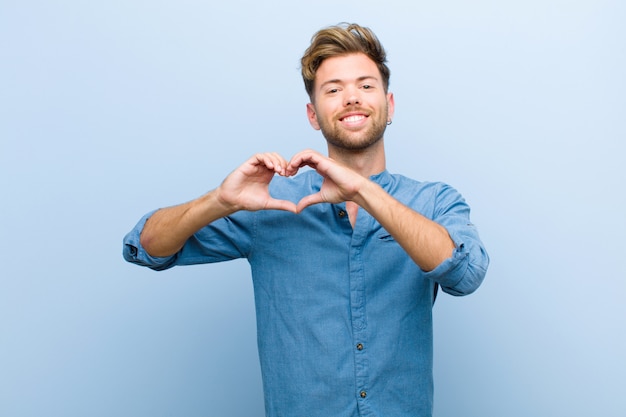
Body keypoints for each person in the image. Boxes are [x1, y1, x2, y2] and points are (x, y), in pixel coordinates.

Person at [123, 22, 489, 417]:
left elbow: (465, 274)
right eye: (333, 90)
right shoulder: (269, 203)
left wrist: (363, 190)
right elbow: (145, 247)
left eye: (366, 86)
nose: (351, 98)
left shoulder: (434, 201)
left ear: (390, 105)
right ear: (314, 115)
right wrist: (219, 200)